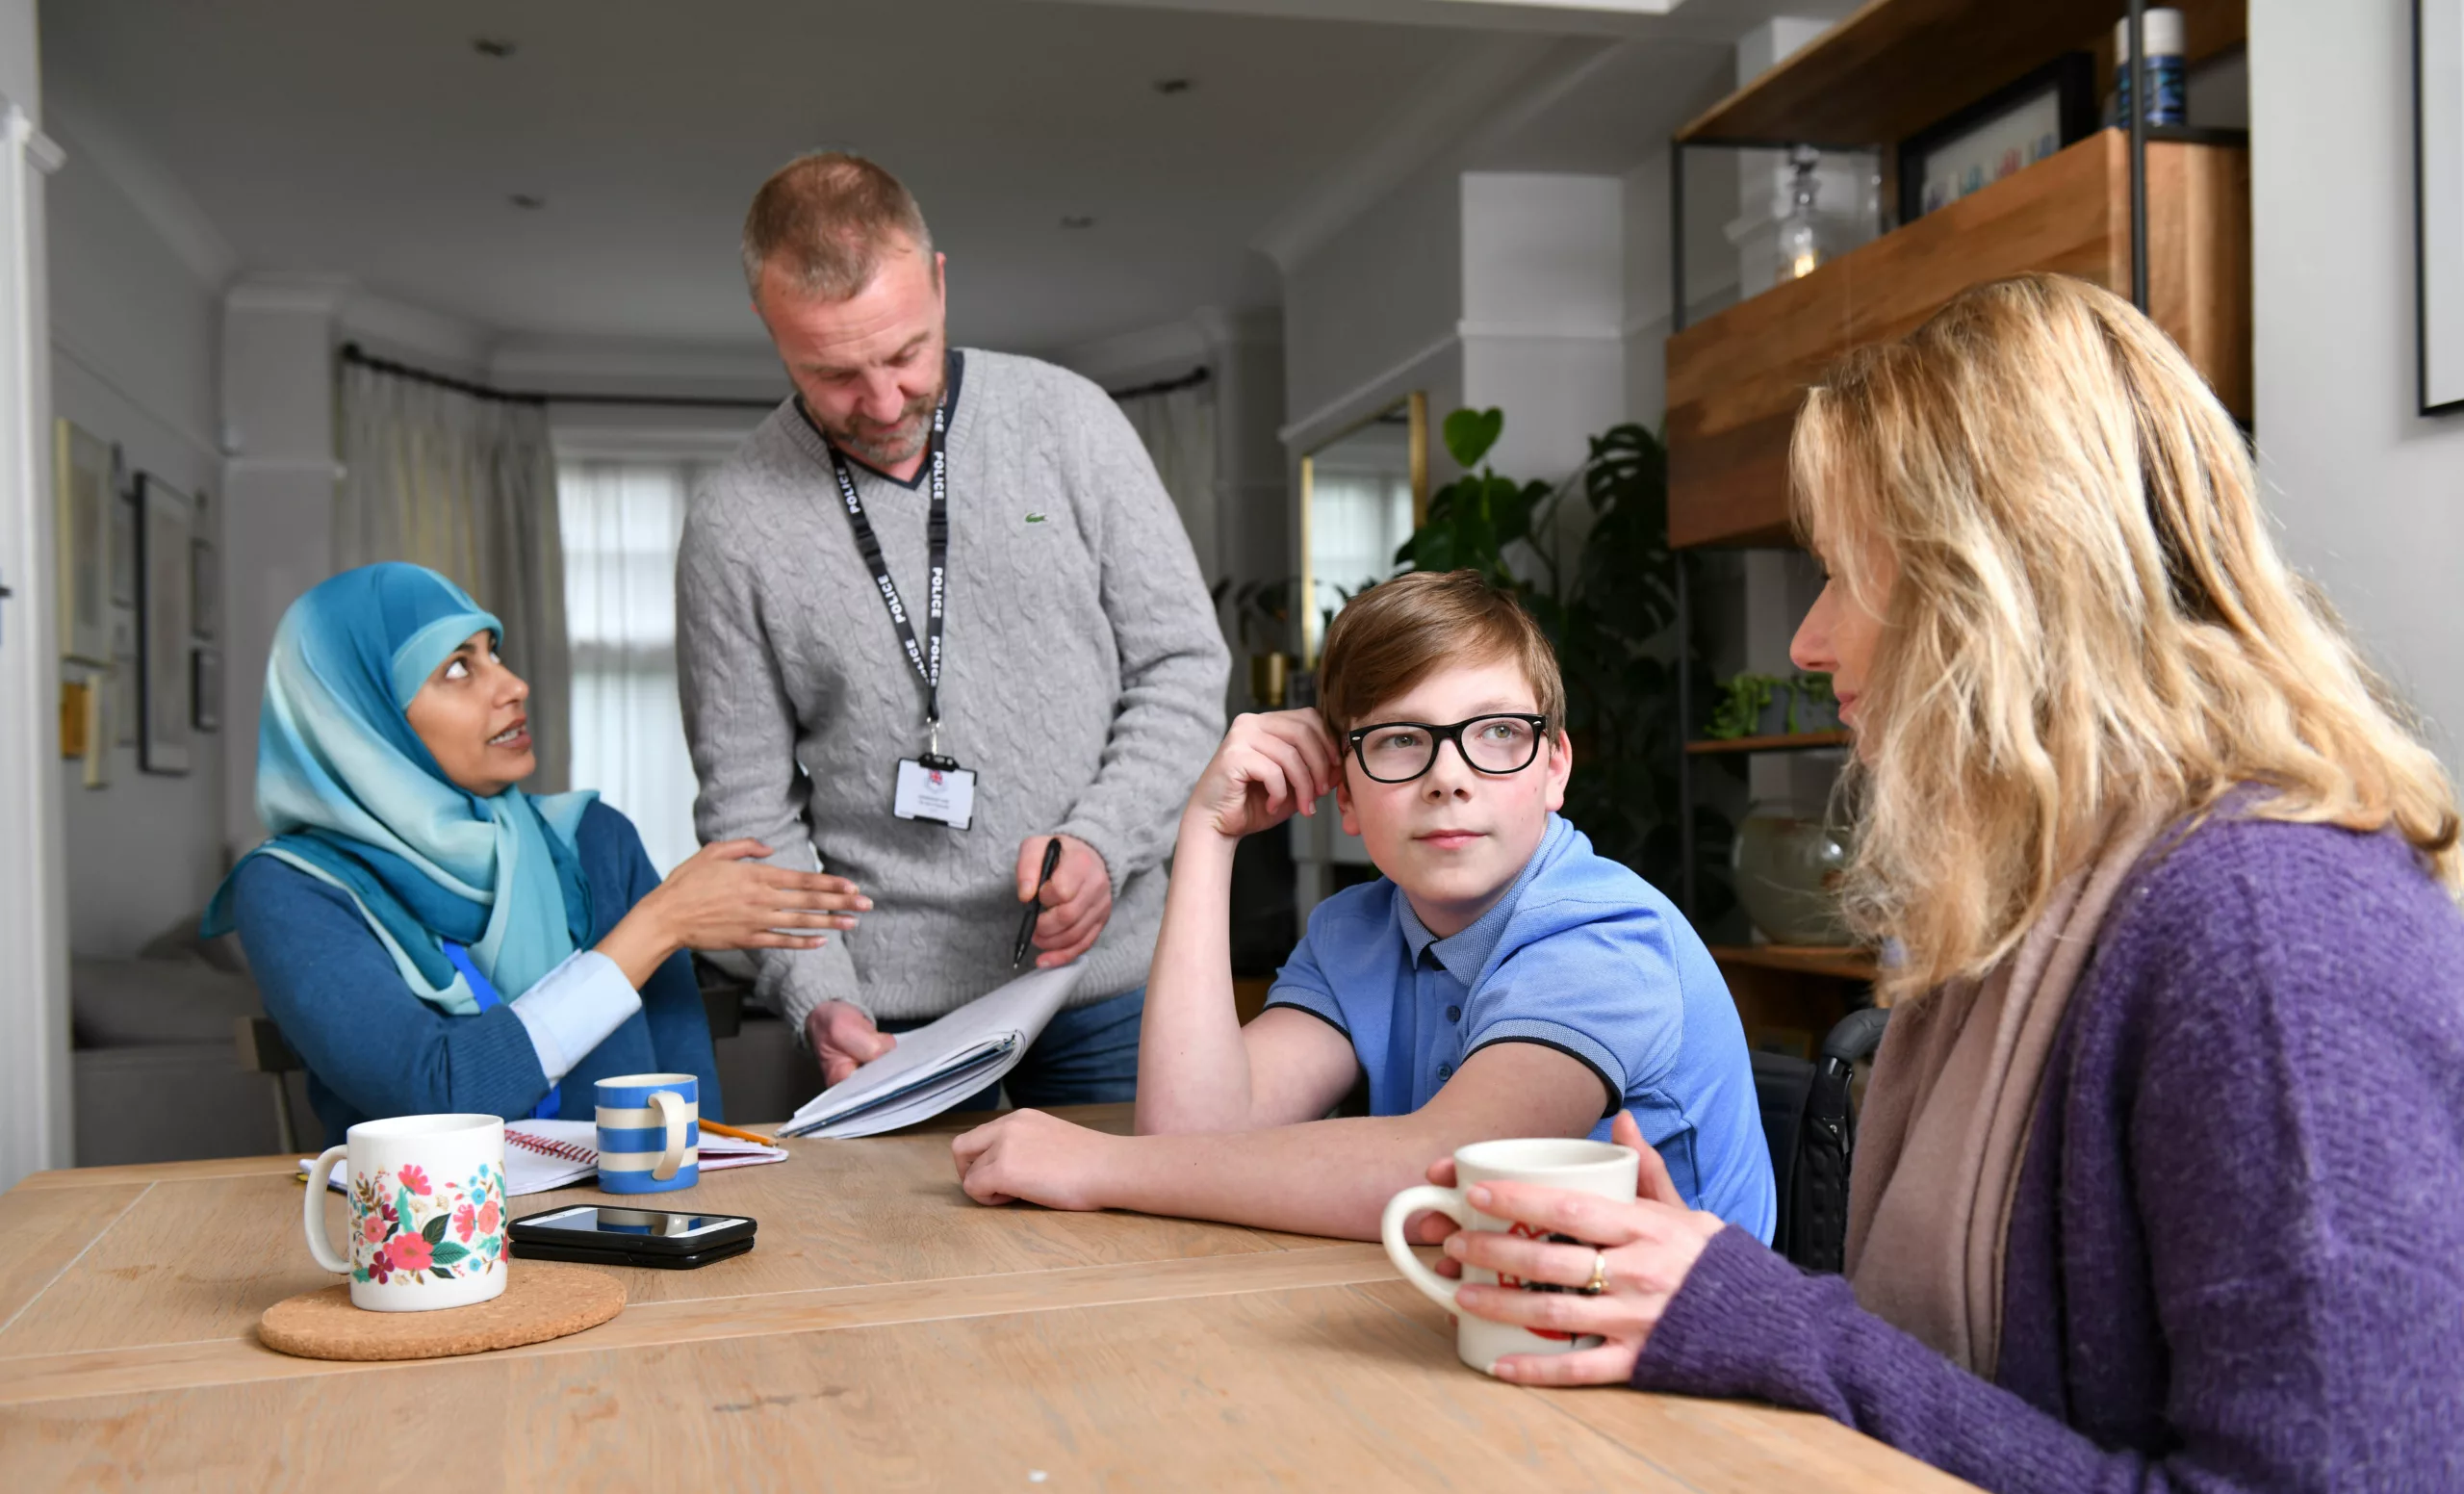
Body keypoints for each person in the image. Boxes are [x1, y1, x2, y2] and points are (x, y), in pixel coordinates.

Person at [1415, 276, 2464, 1494]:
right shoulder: (2034, 907)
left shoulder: (2267, 935)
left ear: (1994, 587)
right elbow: (1972, 1377)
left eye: (1844, 573)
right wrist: (1699, 1282)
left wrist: (1764, 1324)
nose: (1807, 639)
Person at [950, 570, 1776, 1242]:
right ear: (1342, 796)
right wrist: (1207, 834)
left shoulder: (1602, 937)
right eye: (1400, 740)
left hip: (1683, 1387)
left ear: (1555, 768)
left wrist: (1098, 1166)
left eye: (1495, 733)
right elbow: (1194, 1130)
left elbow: (1449, 1167)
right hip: (1475, 1327)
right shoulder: (1359, 929)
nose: (1448, 776)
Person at [677, 152, 1226, 1103]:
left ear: (938, 281)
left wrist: (1099, 842)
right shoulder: (733, 524)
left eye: (904, 354)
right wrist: (817, 997)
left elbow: (1180, 670)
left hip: (1109, 979)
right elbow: (750, 816)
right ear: (770, 327)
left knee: (1140, 1249)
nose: (884, 405)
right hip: (889, 1020)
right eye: (835, 374)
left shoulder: (1068, 422)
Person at [206, 563, 865, 1145]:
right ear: (361, 720)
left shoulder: (595, 838)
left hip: (630, 1230)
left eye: (494, 652)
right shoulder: (293, 889)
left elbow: (685, 1102)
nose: (513, 684)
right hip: (431, 1256)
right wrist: (657, 927)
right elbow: (437, 1094)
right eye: (458, 668)